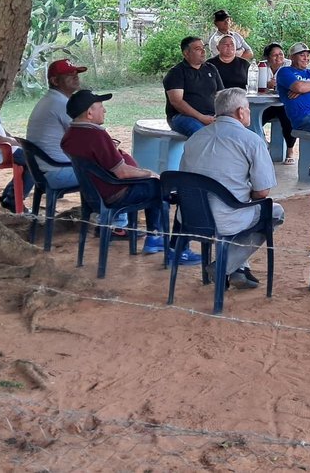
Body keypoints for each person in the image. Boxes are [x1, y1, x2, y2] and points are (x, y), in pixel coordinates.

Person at [60, 89, 200, 263]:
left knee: (153, 184)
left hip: (93, 196)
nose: (104, 110)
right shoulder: (96, 135)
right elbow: (122, 172)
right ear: (89, 113)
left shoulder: (70, 135)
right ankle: (165, 243)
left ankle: (154, 236)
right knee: (161, 185)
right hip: (115, 193)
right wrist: (149, 173)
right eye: (101, 107)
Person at [180, 88, 285, 289]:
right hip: (227, 219)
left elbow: (184, 176)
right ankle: (224, 265)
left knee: (241, 209)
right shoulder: (252, 140)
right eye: (247, 108)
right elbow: (262, 192)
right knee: (274, 212)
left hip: (191, 216)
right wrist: (246, 197)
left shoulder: (194, 138)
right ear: (240, 112)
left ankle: (239, 269)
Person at [0, 58, 85, 210]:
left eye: (76, 73)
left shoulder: (52, 99)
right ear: (55, 81)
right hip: (56, 171)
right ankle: (107, 219)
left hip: (42, 169)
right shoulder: (61, 104)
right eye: (69, 75)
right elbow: (84, 137)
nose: (76, 76)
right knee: (106, 173)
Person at [164, 36, 224, 138]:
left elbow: (222, 94)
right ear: (186, 53)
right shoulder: (176, 72)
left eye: (203, 48)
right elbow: (177, 102)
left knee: (235, 132)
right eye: (198, 49)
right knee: (203, 135)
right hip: (182, 117)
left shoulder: (211, 68)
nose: (203, 51)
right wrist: (201, 117)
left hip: (212, 116)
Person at [261, 43, 297, 165]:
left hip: (283, 103)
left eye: (280, 54)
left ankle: (290, 150)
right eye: (274, 55)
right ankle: (263, 143)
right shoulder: (261, 66)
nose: (279, 57)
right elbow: (257, 85)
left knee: (288, 120)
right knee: (255, 120)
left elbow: (294, 84)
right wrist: (267, 85)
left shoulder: (289, 65)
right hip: (265, 104)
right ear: (267, 57)